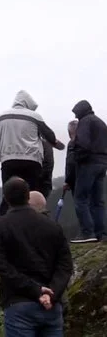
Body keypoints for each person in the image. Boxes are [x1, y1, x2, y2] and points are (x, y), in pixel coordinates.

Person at [0, 177, 73, 336]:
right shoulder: (53, 226)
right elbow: (65, 265)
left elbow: (2, 266)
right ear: (28, 196)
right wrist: (51, 292)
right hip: (51, 306)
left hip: (18, 303)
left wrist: (35, 290)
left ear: (6, 199)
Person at [0, 90, 65, 216]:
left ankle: (6, 225)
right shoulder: (35, 116)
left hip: (9, 161)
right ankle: (33, 225)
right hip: (32, 162)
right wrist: (57, 144)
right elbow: (50, 136)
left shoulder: (0, 117)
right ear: (27, 104)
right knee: (31, 195)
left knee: (9, 194)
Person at [70, 100, 107, 243]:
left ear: (80, 111)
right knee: (98, 201)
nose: (75, 116)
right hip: (102, 163)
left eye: (76, 113)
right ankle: (101, 234)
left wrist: (75, 151)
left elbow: (83, 143)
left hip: (88, 163)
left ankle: (87, 233)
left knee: (81, 199)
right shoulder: (101, 122)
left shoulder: (85, 122)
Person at [63, 120, 79, 194]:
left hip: (77, 179)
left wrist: (67, 181)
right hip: (93, 177)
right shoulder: (90, 141)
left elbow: (70, 163)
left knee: (80, 202)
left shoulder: (72, 144)